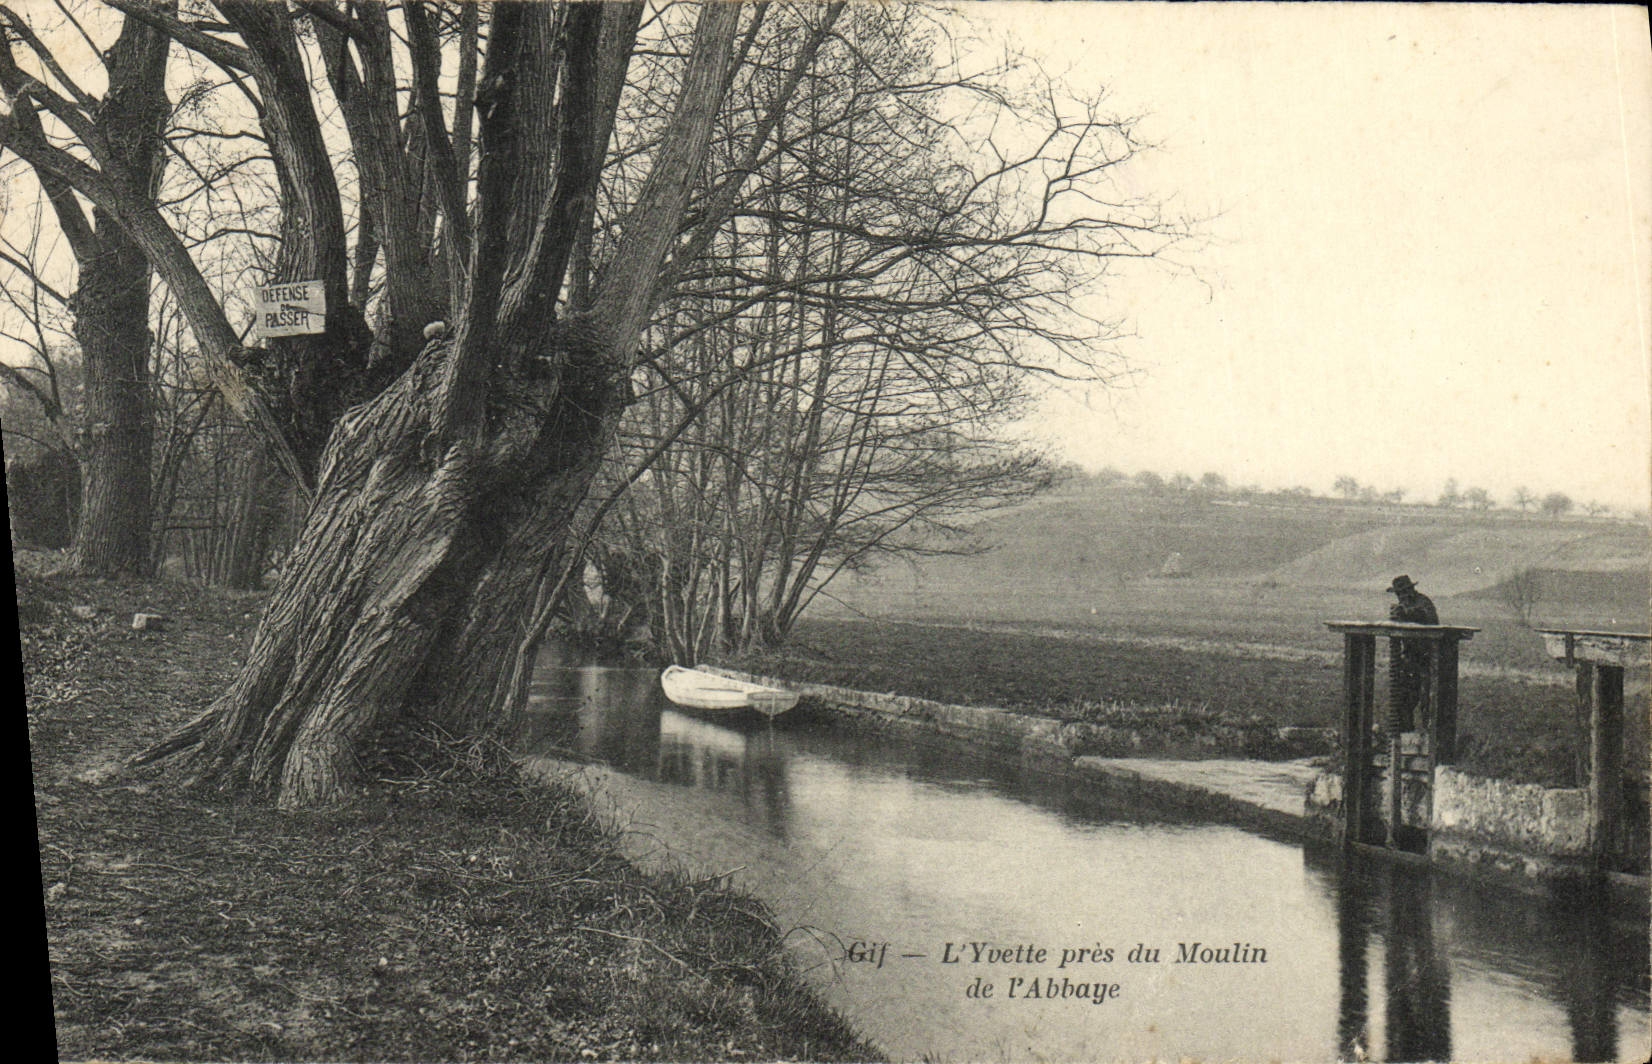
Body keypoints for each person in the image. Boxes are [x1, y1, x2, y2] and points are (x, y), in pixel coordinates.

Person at [1386, 575, 1437, 732]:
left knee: (1428, 701)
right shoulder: (1403, 605)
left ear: (1410, 590)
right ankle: (1404, 738)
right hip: (1410, 659)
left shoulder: (1424, 602)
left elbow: (1427, 617)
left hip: (1428, 659)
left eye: (1403, 592)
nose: (1401, 596)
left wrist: (1407, 613)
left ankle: (1429, 741)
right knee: (1403, 700)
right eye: (1398, 594)